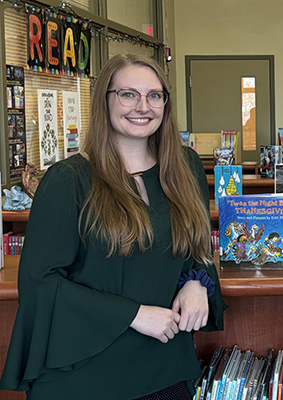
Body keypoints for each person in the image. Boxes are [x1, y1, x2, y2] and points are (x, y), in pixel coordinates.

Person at [0, 54, 227, 399]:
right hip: (85, 374)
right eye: (128, 94)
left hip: (164, 368)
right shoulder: (68, 180)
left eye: (154, 95)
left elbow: (196, 247)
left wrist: (198, 281)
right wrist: (133, 315)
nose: (143, 106)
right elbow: (40, 284)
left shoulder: (186, 168)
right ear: (104, 100)